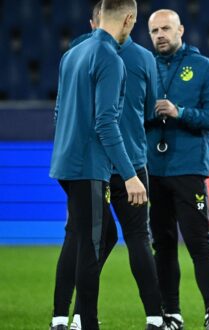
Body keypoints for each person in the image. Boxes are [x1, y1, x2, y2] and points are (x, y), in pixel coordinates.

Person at [50, 1, 169, 329]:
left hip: (75, 162)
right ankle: (152, 317)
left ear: (95, 19)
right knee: (131, 239)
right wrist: (130, 172)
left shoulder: (72, 53)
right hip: (117, 161)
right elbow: (133, 116)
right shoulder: (132, 59)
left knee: (79, 237)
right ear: (130, 19)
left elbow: (60, 111)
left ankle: (63, 317)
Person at [146, 9, 209, 330]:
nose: (160, 35)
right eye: (154, 31)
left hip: (189, 168)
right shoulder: (144, 66)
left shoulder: (204, 68)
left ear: (181, 29)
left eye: (166, 28)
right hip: (151, 170)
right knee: (162, 245)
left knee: (198, 242)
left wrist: (180, 112)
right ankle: (171, 314)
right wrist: (151, 114)